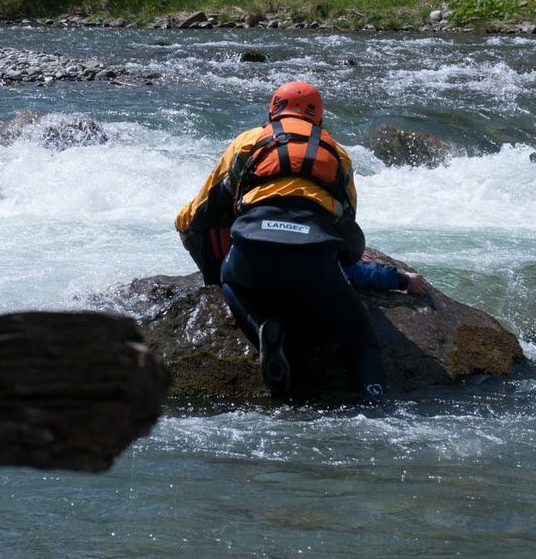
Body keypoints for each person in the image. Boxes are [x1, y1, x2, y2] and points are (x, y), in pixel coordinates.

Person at [175, 81, 427, 399]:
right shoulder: (338, 154)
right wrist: (350, 259)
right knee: (361, 340)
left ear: (272, 112)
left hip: (252, 258)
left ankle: (263, 324)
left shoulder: (247, 142)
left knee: (230, 280)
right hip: (314, 262)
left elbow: (200, 209)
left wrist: (185, 228)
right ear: (318, 119)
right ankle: (374, 397)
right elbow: (347, 224)